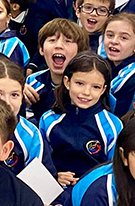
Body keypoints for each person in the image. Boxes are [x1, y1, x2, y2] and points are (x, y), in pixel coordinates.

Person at [39, 53, 122, 184]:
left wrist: (88, 182)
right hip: (55, 187)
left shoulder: (112, 125)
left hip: (95, 189)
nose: (86, 92)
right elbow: (41, 162)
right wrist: (54, 176)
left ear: (103, 89)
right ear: (67, 82)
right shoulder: (48, 120)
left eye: (95, 87)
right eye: (80, 83)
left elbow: (114, 169)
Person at [25, 18, 88, 119]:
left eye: (67, 41)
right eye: (52, 40)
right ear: (41, 49)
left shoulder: (88, 87)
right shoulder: (33, 81)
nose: (59, 46)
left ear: (79, 52)